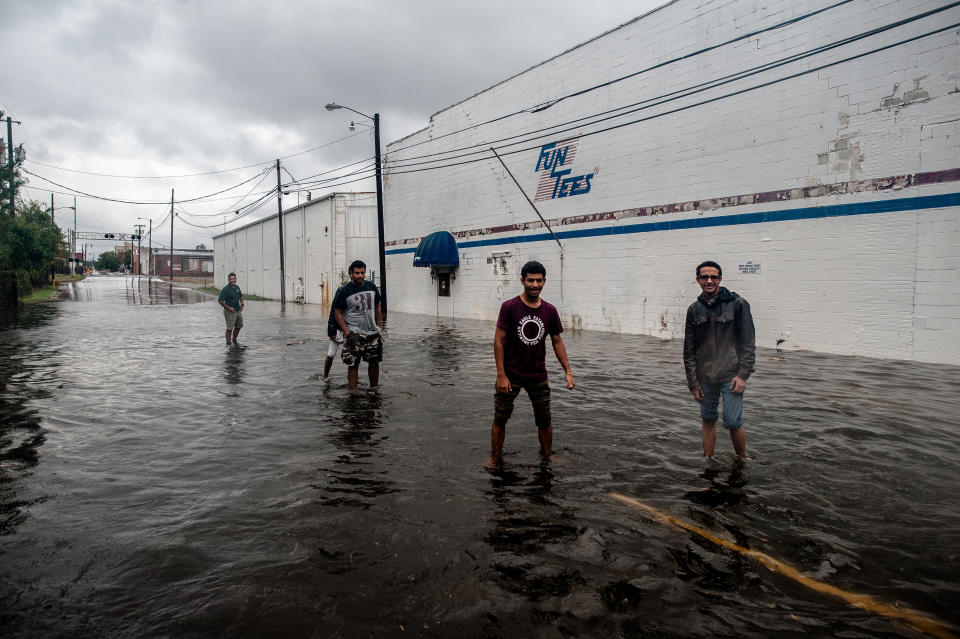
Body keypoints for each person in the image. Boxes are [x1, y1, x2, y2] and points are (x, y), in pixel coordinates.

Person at [487, 260, 574, 466]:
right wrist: (501, 374)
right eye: (530, 280)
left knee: (545, 420)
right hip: (511, 373)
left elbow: (557, 341)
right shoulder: (509, 307)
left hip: (537, 374)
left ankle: (546, 456)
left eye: (539, 281)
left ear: (544, 281)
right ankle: (495, 457)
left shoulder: (550, 310)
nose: (535, 285)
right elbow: (498, 340)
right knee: (501, 418)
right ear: (522, 281)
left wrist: (568, 371)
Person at [683, 260, 756, 458]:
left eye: (713, 277)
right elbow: (689, 350)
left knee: (733, 422)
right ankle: (708, 462)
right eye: (704, 277)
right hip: (705, 378)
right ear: (697, 280)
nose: (709, 281)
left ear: (720, 279)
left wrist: (743, 376)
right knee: (707, 419)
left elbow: (748, 344)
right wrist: (693, 383)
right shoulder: (694, 310)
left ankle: (742, 460)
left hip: (731, 375)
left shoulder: (738, 304)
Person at [333, 260, 383, 394]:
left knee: (374, 362)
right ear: (350, 274)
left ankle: (374, 389)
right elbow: (337, 313)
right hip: (354, 334)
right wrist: (347, 332)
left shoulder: (372, 287)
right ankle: (353, 393)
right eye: (357, 273)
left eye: (362, 273)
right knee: (353, 364)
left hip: (372, 333)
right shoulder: (344, 291)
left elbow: (378, 306)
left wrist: (379, 326)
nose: (360, 276)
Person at [322, 285, 347, 383]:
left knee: (349, 354)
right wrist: (332, 330)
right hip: (337, 328)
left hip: (349, 329)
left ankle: (352, 378)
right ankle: (325, 376)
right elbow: (333, 312)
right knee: (331, 354)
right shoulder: (341, 291)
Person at [218, 272, 245, 345]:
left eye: (234, 278)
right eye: (231, 279)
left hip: (238, 310)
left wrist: (242, 304)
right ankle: (228, 343)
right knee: (230, 328)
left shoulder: (237, 287)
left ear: (236, 279)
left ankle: (234, 339)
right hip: (230, 311)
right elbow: (220, 301)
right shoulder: (226, 289)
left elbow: (241, 296)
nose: (233, 280)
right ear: (228, 280)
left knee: (239, 325)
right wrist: (229, 308)